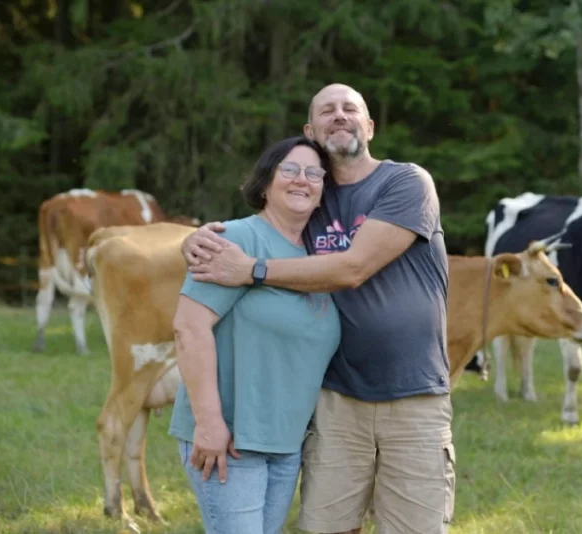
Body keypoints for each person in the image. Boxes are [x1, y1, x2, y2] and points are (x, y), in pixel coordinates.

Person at [183, 83, 455, 534]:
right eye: (327, 111)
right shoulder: (308, 196)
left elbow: (352, 268)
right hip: (333, 398)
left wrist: (251, 268)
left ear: (370, 126)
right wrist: (193, 245)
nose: (340, 115)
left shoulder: (405, 182)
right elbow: (253, 231)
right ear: (311, 131)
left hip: (415, 395)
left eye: (351, 108)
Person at [169, 135, 341, 534]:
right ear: (264, 184)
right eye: (290, 170)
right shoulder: (234, 239)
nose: (303, 179)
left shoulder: (319, 258)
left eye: (314, 173)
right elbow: (189, 328)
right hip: (230, 439)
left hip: (284, 445)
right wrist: (209, 423)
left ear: (322, 194)